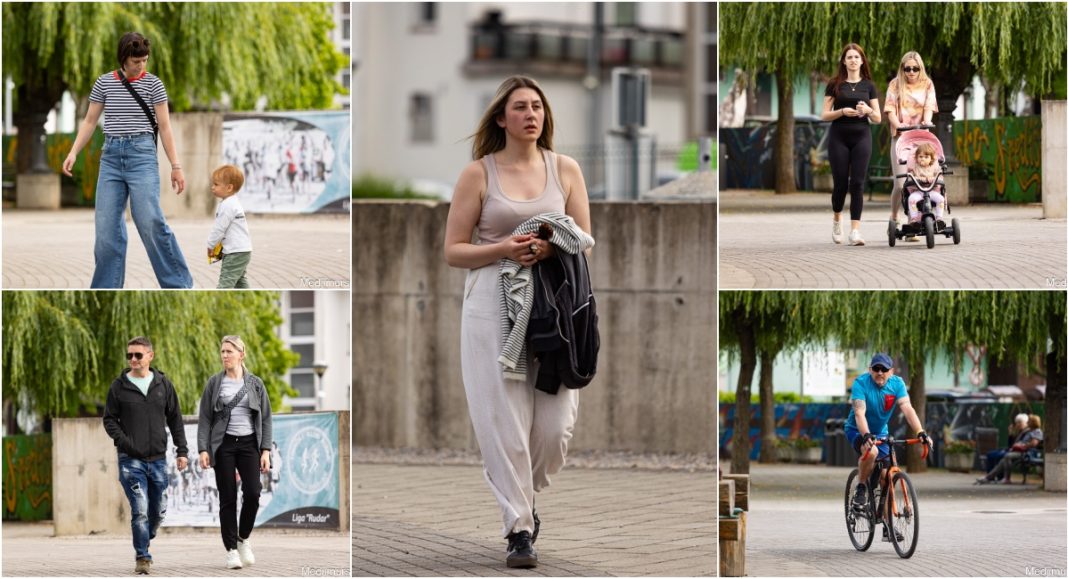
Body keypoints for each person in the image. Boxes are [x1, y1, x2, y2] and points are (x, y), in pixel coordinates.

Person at [443, 75, 592, 569]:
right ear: (501, 118)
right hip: (491, 301)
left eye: (538, 107)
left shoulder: (565, 170)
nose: (531, 114)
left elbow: (585, 238)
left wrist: (550, 246)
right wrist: (504, 248)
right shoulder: (477, 174)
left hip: (553, 302)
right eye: (520, 108)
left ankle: (524, 494)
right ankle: (519, 528)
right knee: (502, 421)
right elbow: (453, 251)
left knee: (556, 428)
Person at [62, 32, 192, 288]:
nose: (140, 66)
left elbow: (165, 127)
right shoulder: (104, 83)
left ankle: (179, 283)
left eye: (144, 61)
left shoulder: (155, 84)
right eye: (136, 61)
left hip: (142, 155)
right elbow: (89, 122)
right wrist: (73, 151)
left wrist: (176, 166)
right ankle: (106, 287)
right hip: (110, 157)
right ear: (123, 58)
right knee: (106, 231)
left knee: (150, 220)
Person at [103, 337, 189, 575]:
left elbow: (175, 419)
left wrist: (182, 450)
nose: (133, 360)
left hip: (158, 459)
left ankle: (144, 535)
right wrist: (125, 443)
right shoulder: (118, 387)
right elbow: (109, 419)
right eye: (129, 355)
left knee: (158, 511)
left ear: (150, 356)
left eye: (138, 355)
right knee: (140, 509)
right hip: (130, 461)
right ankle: (142, 556)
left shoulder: (163, 384)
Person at [196, 336, 273, 569]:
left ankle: (242, 538)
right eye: (222, 351)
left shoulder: (255, 384)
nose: (225, 355)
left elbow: (266, 418)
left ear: (242, 354)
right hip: (224, 445)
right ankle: (231, 550)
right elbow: (205, 418)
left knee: (253, 492)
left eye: (229, 351)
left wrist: (265, 450)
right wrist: (203, 449)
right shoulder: (214, 383)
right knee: (227, 498)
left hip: (249, 444)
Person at [845, 354, 930, 541]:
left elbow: (907, 409)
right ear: (870, 370)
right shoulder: (861, 383)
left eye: (884, 369)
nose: (880, 373)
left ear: (891, 371)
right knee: (872, 451)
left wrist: (920, 432)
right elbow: (859, 413)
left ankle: (886, 526)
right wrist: (866, 435)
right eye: (876, 369)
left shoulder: (897, 384)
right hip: (857, 430)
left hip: (881, 432)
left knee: (887, 477)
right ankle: (860, 489)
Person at [821, 43, 881, 246]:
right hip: (839, 136)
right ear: (844, 61)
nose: (853, 60)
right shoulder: (834, 84)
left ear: (862, 61)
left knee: (857, 183)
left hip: (862, 136)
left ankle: (855, 231)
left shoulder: (869, 86)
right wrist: (841, 112)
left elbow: (878, 118)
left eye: (857, 57)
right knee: (840, 184)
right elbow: (824, 115)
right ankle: (837, 219)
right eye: (849, 57)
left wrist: (868, 110)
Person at [884, 51, 938, 231]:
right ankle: (894, 216)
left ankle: (912, 223)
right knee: (900, 184)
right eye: (908, 68)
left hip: (921, 137)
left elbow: (929, 106)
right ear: (902, 68)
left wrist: (927, 121)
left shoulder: (927, 84)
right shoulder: (895, 84)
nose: (911, 72)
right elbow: (890, 109)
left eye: (915, 68)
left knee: (920, 182)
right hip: (901, 137)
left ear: (920, 68)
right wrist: (898, 124)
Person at [206, 164, 253, 288]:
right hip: (242, 250)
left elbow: (219, 228)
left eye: (216, 184)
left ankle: (216, 305)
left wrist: (210, 244)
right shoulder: (232, 202)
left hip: (235, 252)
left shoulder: (228, 206)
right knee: (240, 282)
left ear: (229, 187)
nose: (212, 187)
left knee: (224, 284)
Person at [976, 414, 1043, 484]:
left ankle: (1001, 478)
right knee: (1004, 458)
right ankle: (989, 477)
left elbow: (1034, 444)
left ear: (1033, 422)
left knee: (1007, 456)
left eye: (1029, 421)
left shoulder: (1037, 431)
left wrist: (1022, 445)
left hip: (1028, 453)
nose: (1027, 422)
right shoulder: (1030, 431)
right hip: (1021, 451)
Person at [905, 143, 946, 223]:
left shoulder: (935, 168)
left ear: (931, 159)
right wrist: (919, 179)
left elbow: (940, 177)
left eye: (926, 157)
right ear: (916, 158)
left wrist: (934, 178)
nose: (923, 159)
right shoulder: (914, 168)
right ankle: (914, 218)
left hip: (932, 191)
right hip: (918, 191)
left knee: (941, 199)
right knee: (911, 199)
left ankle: (939, 218)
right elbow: (910, 178)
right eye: (920, 157)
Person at [983, 413, 1029, 482]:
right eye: (1017, 423)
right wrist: (1010, 434)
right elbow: (1010, 445)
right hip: (1010, 449)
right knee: (990, 454)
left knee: (1001, 455)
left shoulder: (1026, 432)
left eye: (1020, 422)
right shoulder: (1018, 432)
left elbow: (1019, 446)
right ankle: (990, 476)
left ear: (1025, 423)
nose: (1018, 424)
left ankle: (998, 477)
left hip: (1016, 451)